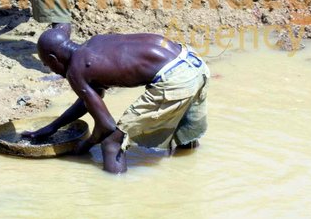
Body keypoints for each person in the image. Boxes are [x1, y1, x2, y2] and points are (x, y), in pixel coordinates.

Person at [23, 28, 210, 173]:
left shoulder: (76, 71)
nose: (52, 70)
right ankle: (186, 174)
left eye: (48, 65)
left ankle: (115, 194)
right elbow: (87, 101)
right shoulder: (95, 42)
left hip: (176, 79)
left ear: (54, 59)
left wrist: (85, 146)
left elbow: (106, 126)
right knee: (185, 133)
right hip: (192, 61)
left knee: (111, 142)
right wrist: (53, 127)